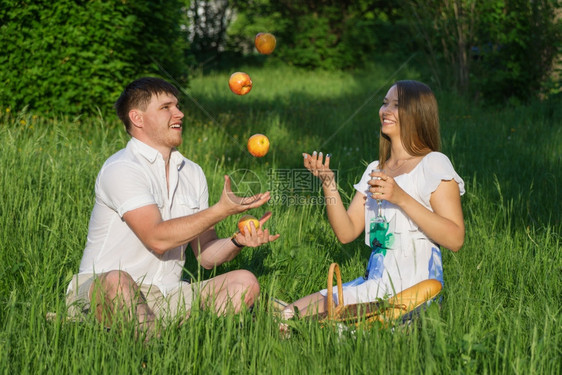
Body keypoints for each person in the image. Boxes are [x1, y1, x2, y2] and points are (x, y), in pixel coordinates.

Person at [66, 77, 279, 336]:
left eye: (177, 106)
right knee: (117, 280)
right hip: (105, 287)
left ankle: (190, 336)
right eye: (166, 107)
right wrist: (220, 210)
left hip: (169, 292)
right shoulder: (122, 168)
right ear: (138, 118)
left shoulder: (193, 172)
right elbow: (157, 238)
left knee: (244, 281)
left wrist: (237, 241)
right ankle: (156, 348)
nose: (179, 113)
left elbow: (206, 256)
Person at [281, 80, 465, 320]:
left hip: (412, 292)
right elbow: (346, 233)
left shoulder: (433, 163)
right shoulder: (374, 170)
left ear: (418, 113)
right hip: (373, 284)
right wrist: (328, 183)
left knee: (317, 324)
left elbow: (455, 239)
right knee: (287, 315)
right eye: (384, 103)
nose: (385, 111)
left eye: (396, 105)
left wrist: (400, 197)